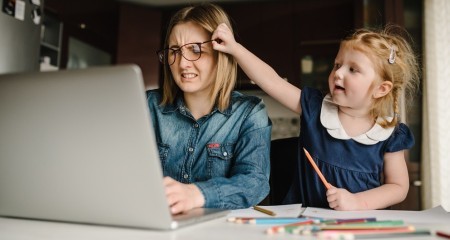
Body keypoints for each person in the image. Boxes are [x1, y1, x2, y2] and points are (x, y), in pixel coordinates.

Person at [212, 23, 419, 210]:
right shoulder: (315, 108)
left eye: (353, 70)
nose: (338, 73)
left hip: (360, 226)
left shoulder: (390, 133)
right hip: (306, 223)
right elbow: (272, 81)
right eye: (338, 65)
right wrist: (235, 48)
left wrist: (357, 202)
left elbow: (398, 187)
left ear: (381, 89)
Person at [147, 3, 272, 215]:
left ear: (221, 53)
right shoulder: (148, 106)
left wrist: (197, 194)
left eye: (196, 50)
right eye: (174, 51)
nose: (182, 63)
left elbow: (254, 183)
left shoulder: (249, 113)